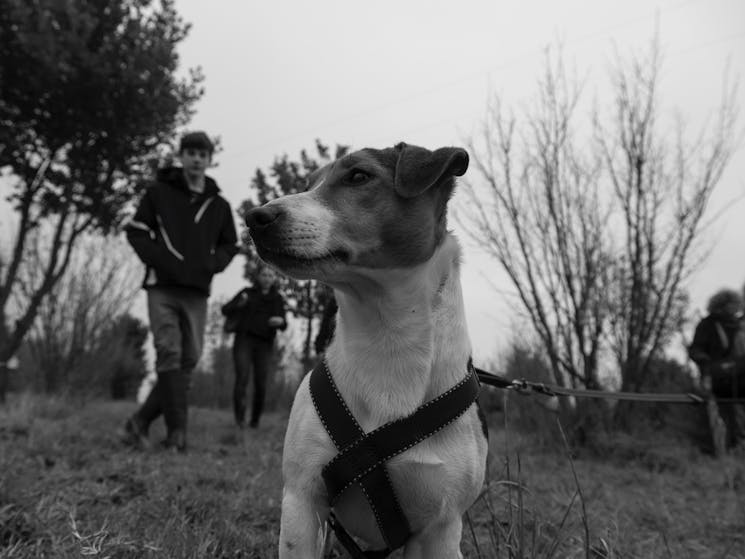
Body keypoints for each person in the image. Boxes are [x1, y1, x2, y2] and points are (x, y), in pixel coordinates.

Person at [122, 131, 239, 452]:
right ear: (181, 156)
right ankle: (177, 436)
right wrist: (161, 259)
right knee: (169, 352)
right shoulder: (158, 193)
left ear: (209, 159)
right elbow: (136, 231)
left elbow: (231, 244)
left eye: (202, 154)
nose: (196, 159)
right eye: (190, 152)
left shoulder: (219, 205)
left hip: (197, 291)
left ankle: (138, 422)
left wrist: (212, 263)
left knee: (189, 359)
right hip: (162, 287)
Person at [222, 264, 287, 428]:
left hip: (264, 344)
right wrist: (240, 304)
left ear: (274, 279)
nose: (267, 278)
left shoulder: (277, 299)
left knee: (261, 383)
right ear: (258, 277)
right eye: (264, 275)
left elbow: (283, 323)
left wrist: (281, 322)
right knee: (242, 379)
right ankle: (240, 421)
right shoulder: (247, 293)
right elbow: (225, 309)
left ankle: (254, 422)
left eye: (271, 276)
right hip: (244, 340)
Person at [688, 288, 745, 453]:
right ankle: (728, 452)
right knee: (725, 418)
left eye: (737, 304)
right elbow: (696, 350)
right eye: (732, 304)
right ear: (722, 305)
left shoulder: (740, 325)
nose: (735, 307)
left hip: (741, 378)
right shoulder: (708, 325)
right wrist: (707, 364)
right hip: (720, 381)